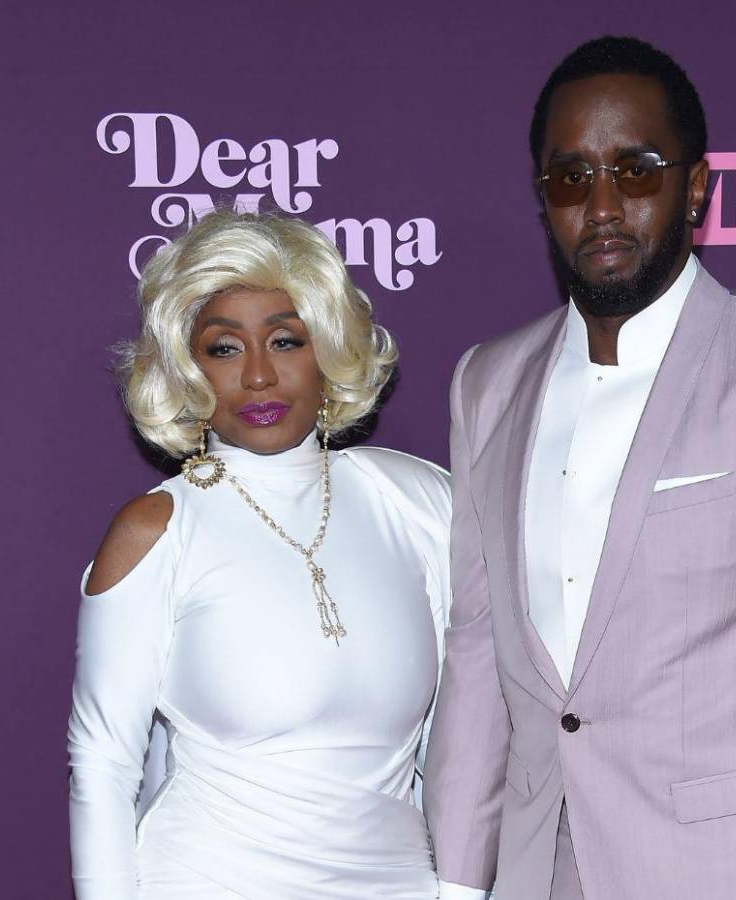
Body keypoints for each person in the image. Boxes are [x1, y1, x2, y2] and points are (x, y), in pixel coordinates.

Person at [425, 36, 736, 900]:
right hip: (536, 872)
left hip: (725, 874)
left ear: (695, 187)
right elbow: (476, 656)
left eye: (636, 169)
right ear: (543, 198)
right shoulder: (485, 382)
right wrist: (457, 885)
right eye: (570, 177)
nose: (602, 206)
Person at [67, 210, 450, 898]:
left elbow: (465, 743)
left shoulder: (417, 500)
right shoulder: (158, 528)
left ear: (328, 349)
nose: (259, 377)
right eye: (224, 348)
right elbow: (103, 765)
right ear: (187, 368)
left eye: (285, 341)